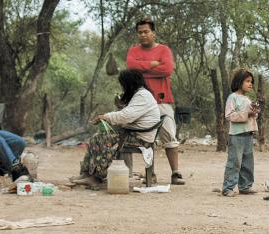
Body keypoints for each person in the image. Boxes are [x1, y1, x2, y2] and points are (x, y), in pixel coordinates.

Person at [72, 70, 161, 187]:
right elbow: (125, 114)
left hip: (140, 137)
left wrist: (105, 117)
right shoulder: (139, 94)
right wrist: (109, 115)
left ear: (129, 83)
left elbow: (126, 116)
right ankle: (87, 173)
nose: (123, 87)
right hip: (134, 134)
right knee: (96, 137)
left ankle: (96, 177)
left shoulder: (142, 96)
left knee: (102, 139)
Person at [126, 17, 185, 185]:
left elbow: (167, 69)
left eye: (146, 32)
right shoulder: (133, 50)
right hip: (141, 102)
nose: (143, 35)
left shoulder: (164, 50)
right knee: (146, 138)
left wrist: (142, 67)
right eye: (140, 32)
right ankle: (150, 174)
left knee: (169, 136)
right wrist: (152, 65)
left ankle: (175, 173)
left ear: (153, 33)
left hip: (162, 100)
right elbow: (131, 67)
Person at [221, 68, 259, 197]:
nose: (250, 84)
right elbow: (229, 115)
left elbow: (249, 116)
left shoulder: (247, 99)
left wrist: (254, 113)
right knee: (235, 162)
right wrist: (246, 113)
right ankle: (228, 188)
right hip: (236, 135)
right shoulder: (233, 97)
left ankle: (245, 186)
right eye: (247, 81)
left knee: (248, 162)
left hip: (248, 133)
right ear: (239, 82)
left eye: (251, 82)